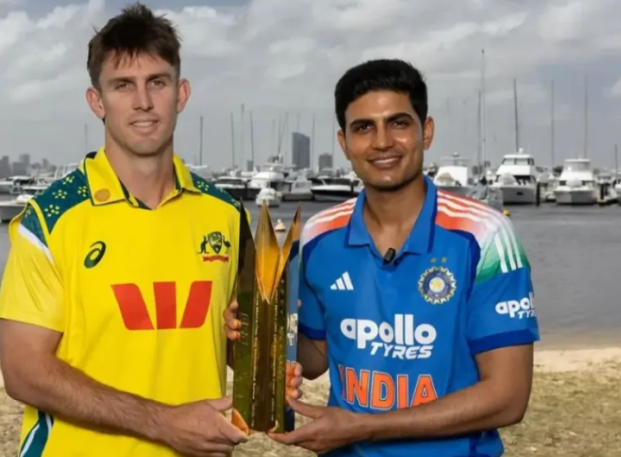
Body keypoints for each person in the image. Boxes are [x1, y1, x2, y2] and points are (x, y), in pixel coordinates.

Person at [0, 3, 300, 456]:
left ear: (181, 93)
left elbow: (230, 347)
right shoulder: (50, 220)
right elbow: (23, 372)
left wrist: (267, 363)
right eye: (123, 85)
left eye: (157, 82)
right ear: (97, 101)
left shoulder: (225, 214)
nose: (143, 101)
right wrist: (162, 422)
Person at [225, 59, 539, 456]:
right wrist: (251, 337)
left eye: (398, 123)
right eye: (363, 128)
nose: (382, 142)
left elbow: (508, 397)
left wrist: (365, 428)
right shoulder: (320, 236)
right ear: (344, 143)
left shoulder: (485, 235)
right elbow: (315, 357)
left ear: (426, 131)